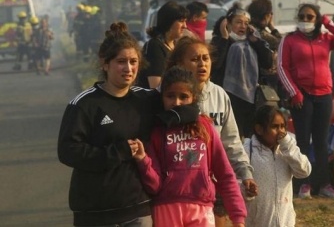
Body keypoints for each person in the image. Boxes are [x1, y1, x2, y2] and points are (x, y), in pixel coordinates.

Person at [58, 22, 160, 227]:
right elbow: (68, 151)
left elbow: (178, 110)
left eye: (134, 61)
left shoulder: (148, 100)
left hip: (138, 208)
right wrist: (116, 153)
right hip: (95, 213)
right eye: (121, 61)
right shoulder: (84, 104)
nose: (129, 68)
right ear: (105, 63)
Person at [133, 66, 247, 227]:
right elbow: (154, 185)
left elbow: (225, 174)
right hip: (166, 208)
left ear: (193, 97)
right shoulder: (157, 132)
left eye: (183, 96)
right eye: (170, 96)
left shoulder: (205, 128)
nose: (177, 102)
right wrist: (142, 160)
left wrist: (238, 216)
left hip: (202, 208)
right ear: (162, 97)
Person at [166, 36, 258, 227]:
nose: (202, 64)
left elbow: (231, 142)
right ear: (178, 64)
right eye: (194, 59)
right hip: (174, 194)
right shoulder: (165, 96)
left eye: (205, 58)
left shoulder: (219, 95)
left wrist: (245, 173)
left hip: (212, 186)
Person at [277, 3, 334, 200]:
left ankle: (324, 185)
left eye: (310, 16)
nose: (305, 19)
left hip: (323, 95)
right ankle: (303, 184)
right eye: (302, 16)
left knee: (321, 141)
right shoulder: (290, 40)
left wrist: (328, 23)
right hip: (301, 96)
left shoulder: (326, 39)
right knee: (302, 140)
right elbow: (282, 67)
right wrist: (294, 92)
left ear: (317, 19)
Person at [210, 4, 273, 138]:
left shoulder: (252, 43)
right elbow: (215, 65)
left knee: (251, 138)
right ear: (228, 23)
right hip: (227, 97)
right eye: (238, 22)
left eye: (246, 23)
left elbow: (267, 63)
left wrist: (256, 42)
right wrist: (224, 38)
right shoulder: (220, 41)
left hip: (250, 98)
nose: (242, 26)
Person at [244, 105, 311, 227]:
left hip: (286, 223)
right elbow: (236, 181)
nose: (280, 132)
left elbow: (304, 171)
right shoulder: (247, 150)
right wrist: (246, 190)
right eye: (274, 127)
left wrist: (288, 147)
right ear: (259, 129)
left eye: (282, 127)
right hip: (257, 222)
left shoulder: (287, 148)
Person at [136, 1, 188, 89]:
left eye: (185, 21)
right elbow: (155, 86)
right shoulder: (155, 46)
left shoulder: (176, 45)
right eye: (181, 21)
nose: (185, 26)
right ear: (168, 22)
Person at [247, 0, 282, 89]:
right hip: (267, 79)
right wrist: (273, 28)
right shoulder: (259, 33)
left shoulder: (251, 30)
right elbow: (282, 45)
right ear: (267, 15)